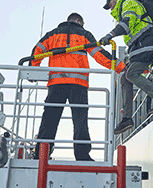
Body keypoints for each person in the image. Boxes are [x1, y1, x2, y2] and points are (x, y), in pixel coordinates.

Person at [30, 13, 125, 161]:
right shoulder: (84, 34)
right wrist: (121, 67)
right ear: (79, 21)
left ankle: (41, 155)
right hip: (78, 85)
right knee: (80, 120)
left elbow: (37, 51)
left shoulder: (52, 34)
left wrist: (33, 70)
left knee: (49, 120)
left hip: (56, 84)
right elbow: (100, 55)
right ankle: (82, 155)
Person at [99, 0, 153, 134]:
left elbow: (127, 22)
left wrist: (110, 35)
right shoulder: (124, 6)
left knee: (131, 74)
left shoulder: (127, 2)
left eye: (110, 5)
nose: (111, 9)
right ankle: (126, 119)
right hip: (141, 47)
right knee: (125, 77)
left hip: (148, 44)